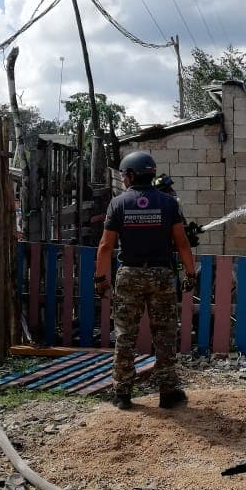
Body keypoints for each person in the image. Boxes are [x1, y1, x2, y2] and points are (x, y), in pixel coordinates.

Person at [95, 150, 196, 411]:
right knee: (164, 334)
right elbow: (182, 242)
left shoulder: (118, 204)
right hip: (162, 275)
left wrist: (100, 278)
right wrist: (191, 273)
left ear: (130, 175)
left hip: (129, 274)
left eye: (124, 174)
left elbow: (106, 246)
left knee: (125, 334)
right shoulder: (168, 203)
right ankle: (168, 392)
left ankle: (122, 394)